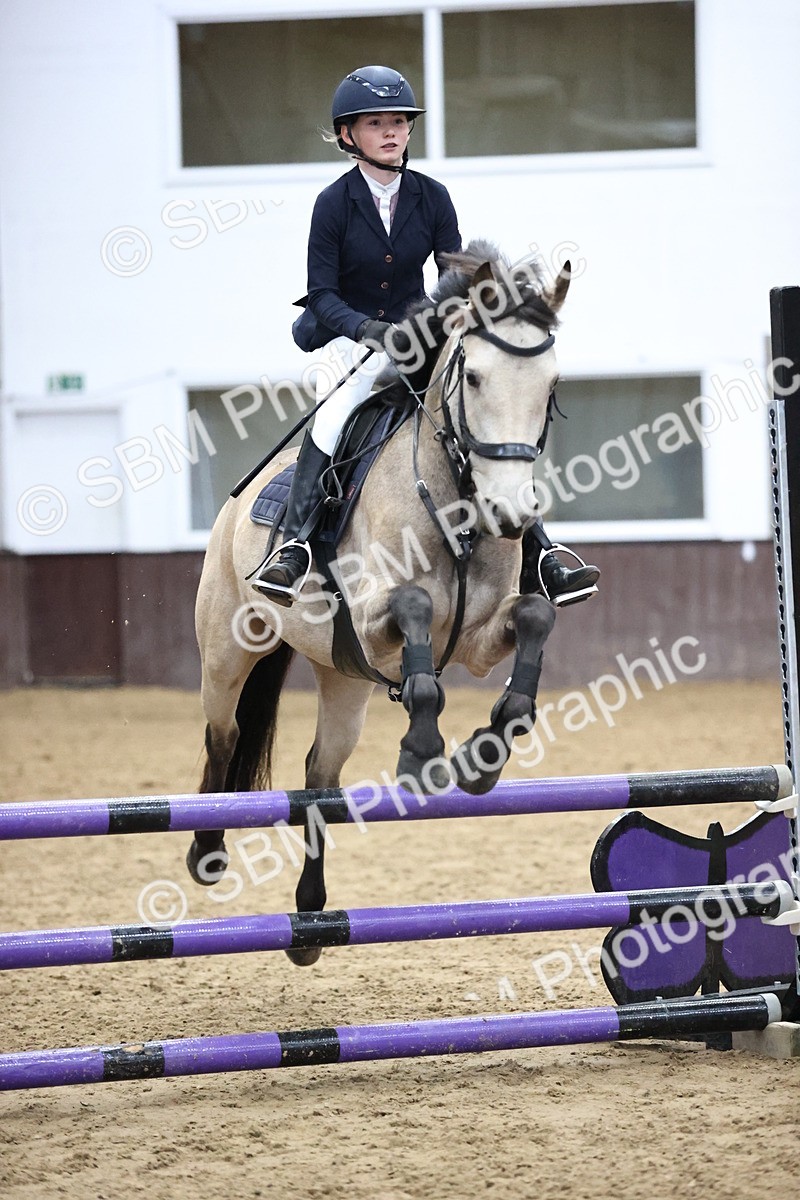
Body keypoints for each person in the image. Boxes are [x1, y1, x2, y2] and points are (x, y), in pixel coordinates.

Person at [252, 65, 599, 609]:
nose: (391, 132)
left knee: (477, 415)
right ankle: (295, 545)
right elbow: (321, 295)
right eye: (376, 123)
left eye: (399, 122)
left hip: (418, 336)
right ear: (348, 135)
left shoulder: (432, 196)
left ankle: (541, 552)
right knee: (335, 414)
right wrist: (368, 329)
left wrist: (458, 318)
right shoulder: (333, 204)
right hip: (351, 343)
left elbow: (452, 275)